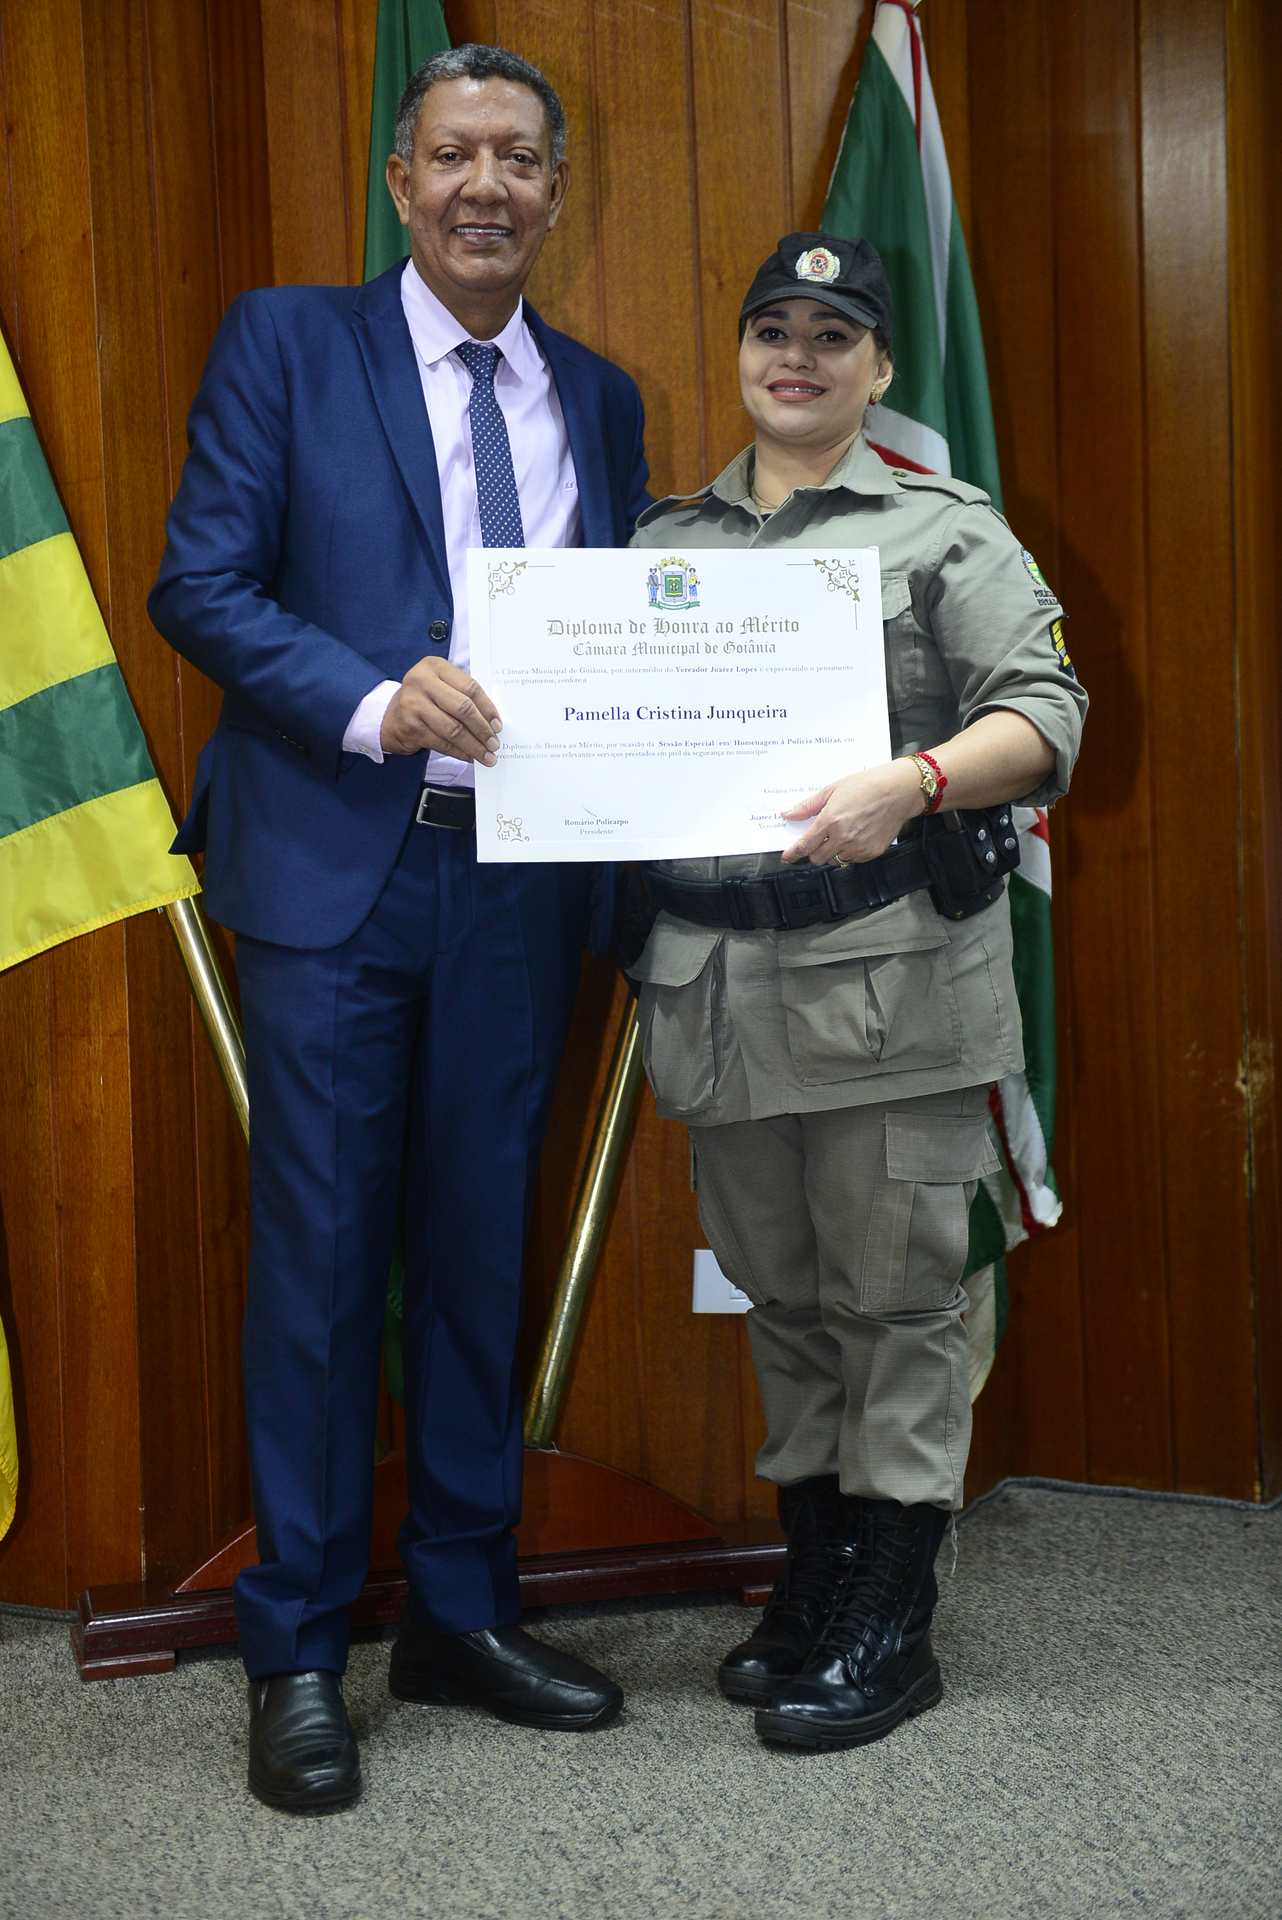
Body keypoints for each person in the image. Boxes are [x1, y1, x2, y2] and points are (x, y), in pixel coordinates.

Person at [149, 44, 650, 1812]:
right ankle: (294, 1645)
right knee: (319, 1260)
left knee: (476, 1251)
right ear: (398, 180)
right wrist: (374, 700)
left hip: (521, 888)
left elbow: (621, 645)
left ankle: (458, 1609)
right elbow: (200, 582)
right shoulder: (288, 343)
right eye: (452, 156)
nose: (483, 187)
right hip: (332, 873)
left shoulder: (603, 400)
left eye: (517, 158)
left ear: (556, 189)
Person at [628, 233, 1087, 1750]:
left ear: (879, 367)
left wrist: (917, 779)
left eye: (834, 335)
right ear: (741, 351)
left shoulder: (942, 530)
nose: (798, 357)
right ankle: (818, 1575)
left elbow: (1047, 715)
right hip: (715, 985)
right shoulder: (658, 546)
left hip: (891, 982)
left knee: (896, 1297)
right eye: (773, 329)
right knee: (783, 1295)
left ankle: (893, 1611)